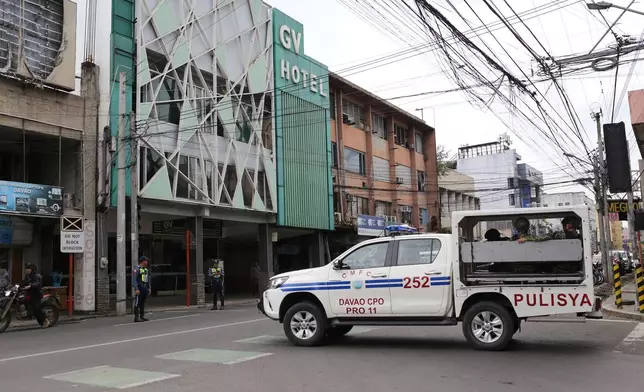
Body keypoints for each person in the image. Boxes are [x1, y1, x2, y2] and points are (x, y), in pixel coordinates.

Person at [22, 263, 49, 328]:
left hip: (36, 295)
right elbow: (24, 282)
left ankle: (45, 320)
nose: (27, 270)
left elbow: (38, 283)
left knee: (36, 309)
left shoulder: (37, 276)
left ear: (32, 269)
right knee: (23, 300)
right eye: (27, 268)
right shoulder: (27, 276)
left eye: (29, 268)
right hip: (29, 294)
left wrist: (31, 285)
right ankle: (27, 313)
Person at [132, 256, 150, 322]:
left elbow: (147, 280)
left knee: (142, 303)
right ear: (143, 261)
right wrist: (136, 289)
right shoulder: (136, 269)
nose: (147, 262)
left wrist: (148, 288)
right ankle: (136, 317)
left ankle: (142, 316)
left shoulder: (146, 270)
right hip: (139, 288)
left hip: (145, 288)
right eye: (146, 261)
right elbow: (134, 280)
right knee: (137, 303)